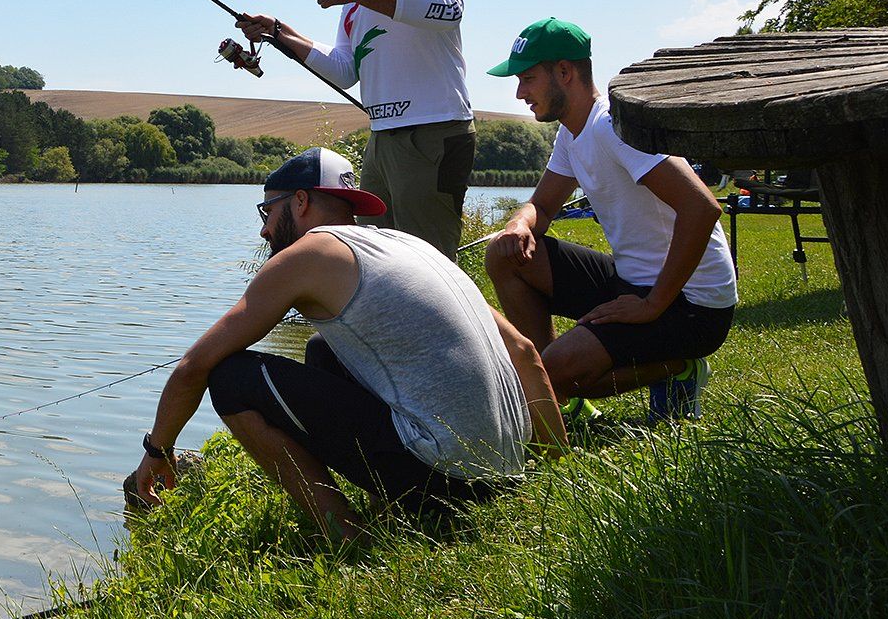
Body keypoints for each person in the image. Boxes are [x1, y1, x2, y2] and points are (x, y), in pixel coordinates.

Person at [127, 148, 564, 544]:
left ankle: (347, 537)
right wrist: (554, 476)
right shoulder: (408, 245)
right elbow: (525, 352)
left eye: (267, 210)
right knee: (322, 350)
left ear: (300, 202)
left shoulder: (309, 254)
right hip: (505, 476)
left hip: (445, 479)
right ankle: (390, 506)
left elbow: (194, 367)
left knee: (231, 378)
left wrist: (157, 451)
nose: (263, 230)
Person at [483, 19, 737, 420]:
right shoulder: (571, 134)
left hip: (692, 304)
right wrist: (519, 224)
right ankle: (558, 395)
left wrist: (653, 304)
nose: (520, 93)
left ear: (564, 72)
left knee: (553, 374)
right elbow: (543, 208)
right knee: (504, 253)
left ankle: (680, 367)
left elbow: (701, 206)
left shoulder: (612, 127)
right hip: (631, 281)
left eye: (528, 78)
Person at [238, 0, 476, 260]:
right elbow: (345, 70)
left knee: (432, 267)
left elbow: (450, 8)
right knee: (380, 265)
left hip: (433, 130)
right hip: (382, 138)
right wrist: (279, 32)